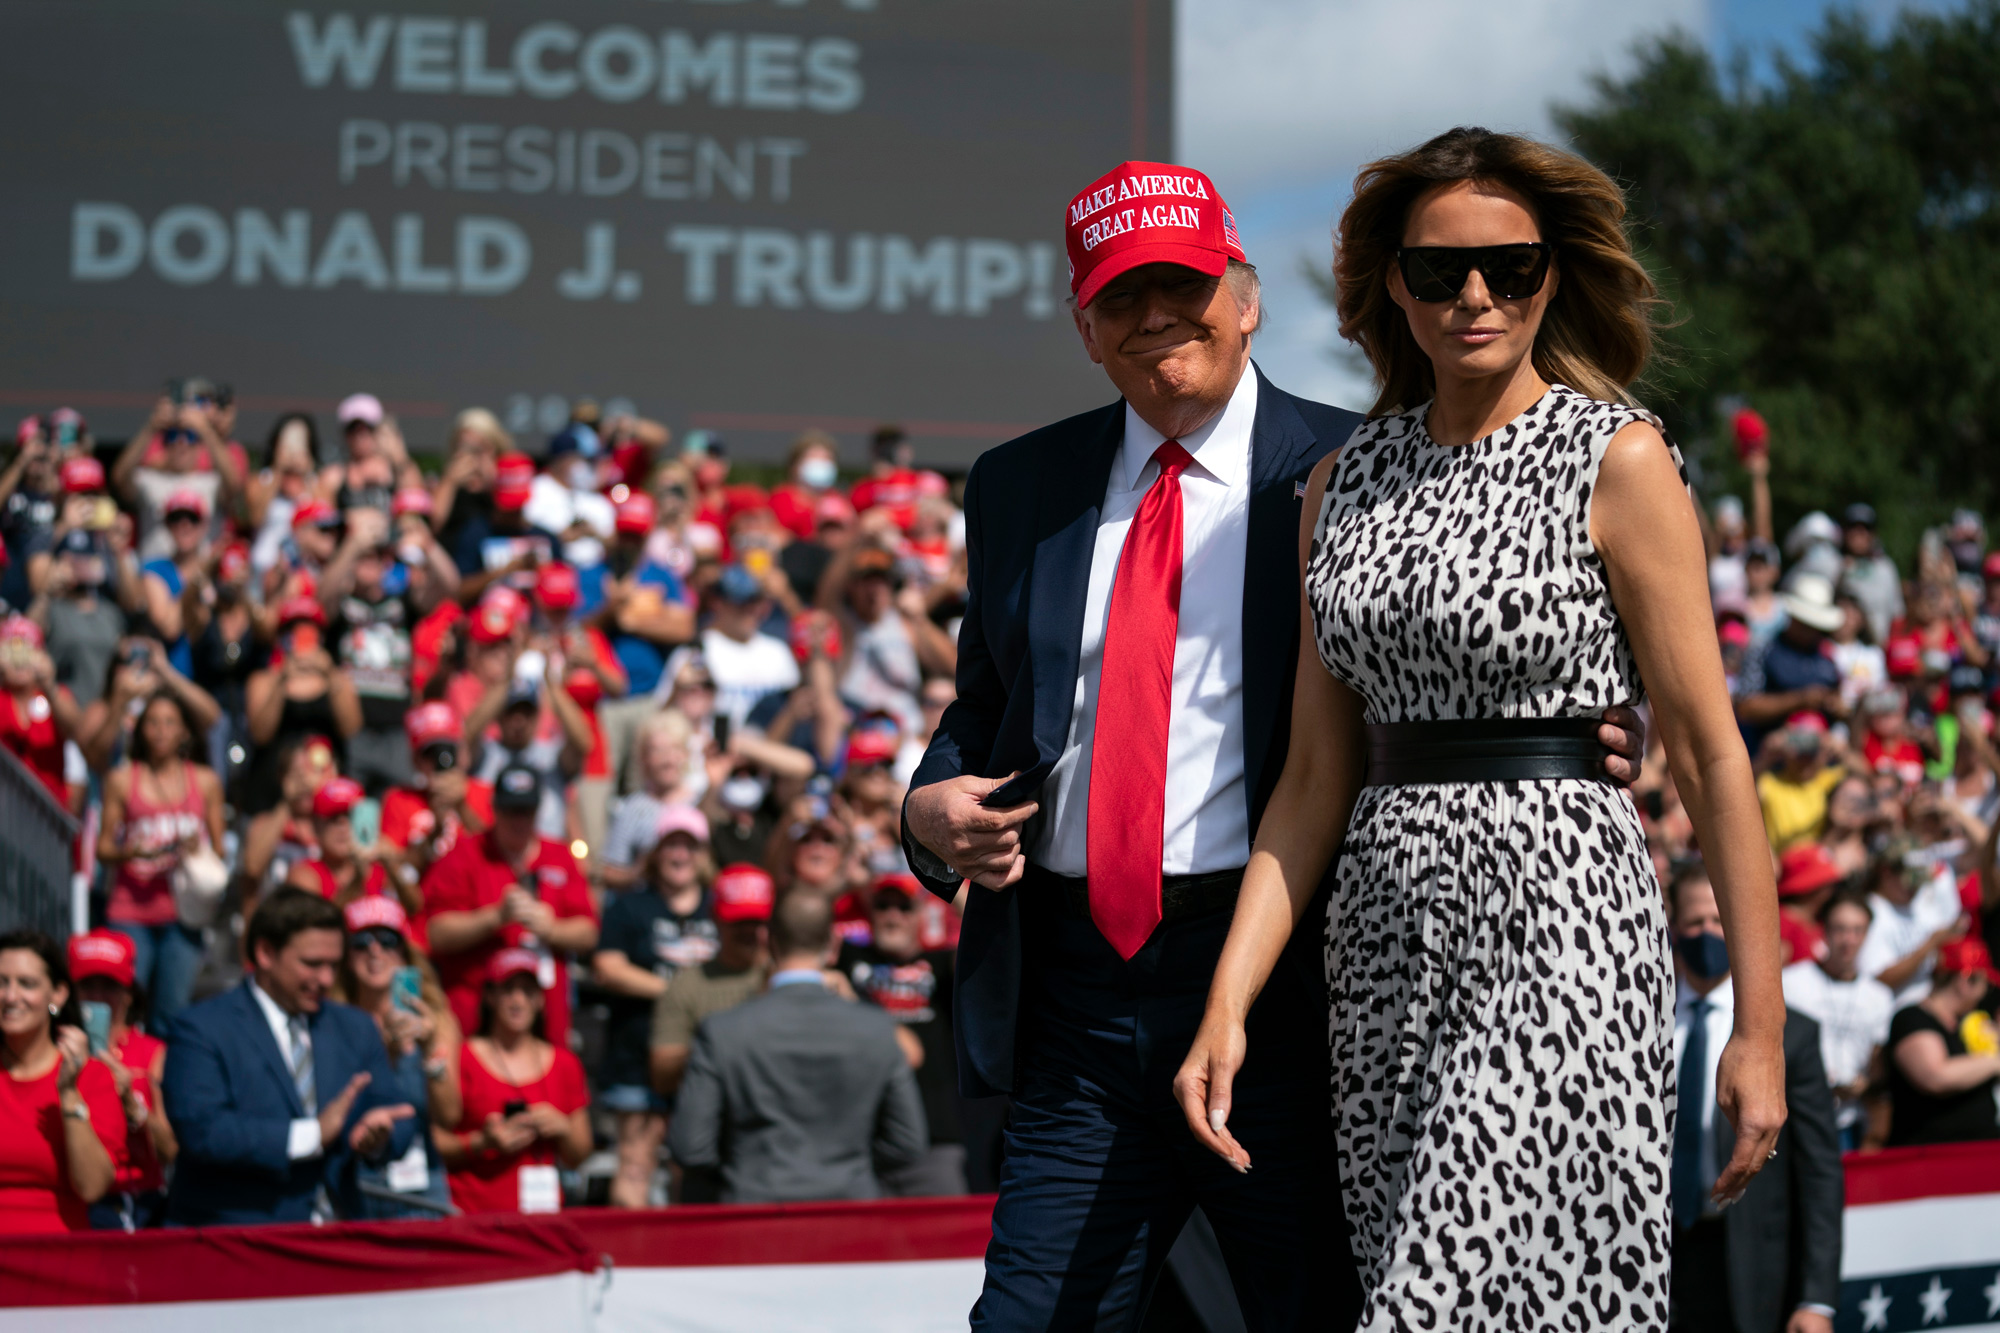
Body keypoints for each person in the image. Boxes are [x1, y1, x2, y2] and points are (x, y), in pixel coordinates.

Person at [902, 153, 1650, 1329]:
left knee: (1321, 1308)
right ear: (1082, 326)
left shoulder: (1361, 471)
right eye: (1118, 296)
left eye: (1183, 286)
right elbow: (983, 709)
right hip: (1073, 998)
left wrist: (1569, 732)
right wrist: (926, 806)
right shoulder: (1015, 484)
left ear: (1246, 300)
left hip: (1289, 986)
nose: (1154, 316)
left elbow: (1477, 645)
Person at [1168, 130, 1787, 1332]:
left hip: (1563, 924)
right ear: (1389, 286)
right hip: (1382, 945)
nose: (1472, 296)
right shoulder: (1338, 483)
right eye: (1438, 270)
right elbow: (1308, 780)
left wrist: (1756, 1027)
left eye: (1508, 267)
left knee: (1429, 1301)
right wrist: (1228, 999)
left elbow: (1712, 755)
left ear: (1550, 274)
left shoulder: (1617, 455)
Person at [160, 889, 416, 1226]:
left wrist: (378, 1137)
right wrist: (311, 1135)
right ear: (266, 952)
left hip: (339, 1243)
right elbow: (204, 1132)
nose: (326, 979)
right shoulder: (201, 1029)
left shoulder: (354, 1027)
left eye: (334, 966)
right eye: (312, 964)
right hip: (239, 1244)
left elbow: (395, 1110)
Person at [1664, 867, 1841, 1333]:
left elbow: (1819, 1170)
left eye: (1719, 921)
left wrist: (1817, 1299)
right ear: (1674, 926)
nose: (1707, 933)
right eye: (1695, 921)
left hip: (1745, 1263)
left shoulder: (1789, 1037)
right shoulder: (1637, 1021)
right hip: (1653, 1257)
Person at [668, 891, 927, 1204]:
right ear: (833, 945)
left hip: (753, 1208)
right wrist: (851, 1167)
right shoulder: (877, 1029)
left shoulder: (723, 1030)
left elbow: (690, 1146)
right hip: (849, 1210)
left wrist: (743, 1167)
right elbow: (908, 1142)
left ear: (768, 941)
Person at [589, 805, 718, 1208]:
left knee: (694, 1168)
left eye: (689, 846)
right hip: (636, 1056)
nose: (679, 855)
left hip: (705, 1059)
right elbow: (608, 968)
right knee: (634, 1162)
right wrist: (680, 994)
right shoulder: (629, 906)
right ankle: (631, 1262)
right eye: (670, 845)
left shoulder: (719, 908)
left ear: (703, 853)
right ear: (654, 852)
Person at [419, 763, 600, 1048]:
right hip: (476, 1024)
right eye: (509, 811)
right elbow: (435, 933)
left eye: (525, 811)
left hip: (544, 1024)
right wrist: (495, 917)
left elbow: (588, 932)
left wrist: (551, 929)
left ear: (538, 811)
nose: (518, 821)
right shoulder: (465, 854)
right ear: (494, 809)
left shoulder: (560, 856)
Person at [96, 689, 228, 1032]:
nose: (160, 731)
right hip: (130, 909)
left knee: (171, 1015)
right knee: (121, 1007)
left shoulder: (205, 781)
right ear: (140, 730)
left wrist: (194, 848)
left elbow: (220, 851)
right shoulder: (123, 779)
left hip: (182, 914)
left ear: (184, 731)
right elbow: (103, 849)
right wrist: (133, 852)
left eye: (170, 722)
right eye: (152, 722)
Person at [836, 875, 965, 1196]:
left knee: (946, 1245)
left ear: (920, 913)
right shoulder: (849, 959)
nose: (892, 915)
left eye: (903, 907)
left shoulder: (940, 965)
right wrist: (845, 880)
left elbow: (986, 928)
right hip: (861, 1146)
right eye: (882, 906)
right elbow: (802, 927)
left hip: (934, 1143)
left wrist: (947, 880)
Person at [334, 896, 461, 1220]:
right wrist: (384, 1053)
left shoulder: (437, 1020)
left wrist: (431, 1049)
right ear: (346, 957)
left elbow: (449, 1115)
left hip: (421, 1180)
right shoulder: (331, 1020)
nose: (375, 951)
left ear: (404, 953)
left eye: (388, 941)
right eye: (361, 942)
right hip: (356, 1177)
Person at [437, 948, 591, 1215]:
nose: (518, 1001)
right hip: (472, 1213)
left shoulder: (565, 1063)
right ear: (490, 996)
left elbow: (580, 1155)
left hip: (541, 1215)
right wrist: (480, 1143)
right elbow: (433, 1140)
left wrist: (562, 1128)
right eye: (508, 990)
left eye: (528, 991)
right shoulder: (461, 1058)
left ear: (541, 1000)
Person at [0, 931, 122, 1234]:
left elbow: (93, 1187)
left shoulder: (93, 1077)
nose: (10, 996)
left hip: (57, 1261)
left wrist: (68, 1093)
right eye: (1, 982)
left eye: (26, 984)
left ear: (58, 994)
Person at [66, 930, 176, 1229]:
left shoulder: (152, 1053)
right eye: (88, 985)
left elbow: (169, 1150)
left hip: (137, 1199)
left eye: (110, 986)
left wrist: (130, 1099)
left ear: (129, 992)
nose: (99, 997)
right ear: (69, 992)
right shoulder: (53, 1050)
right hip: (75, 1194)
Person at [648, 863, 772, 1100]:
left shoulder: (785, 979)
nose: (749, 931)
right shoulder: (686, 985)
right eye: (739, 920)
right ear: (714, 917)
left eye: (757, 921)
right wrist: (718, 1043)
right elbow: (661, 1076)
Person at [1782, 891, 1894, 1151]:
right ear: (1825, 931)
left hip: (1850, 1122)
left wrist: (1864, 1085)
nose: (1849, 939)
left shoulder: (1879, 996)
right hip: (1799, 1116)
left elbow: (1877, 1062)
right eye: (1841, 929)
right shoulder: (1792, 982)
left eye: (1857, 930)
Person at [243, 597, 361, 814]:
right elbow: (260, 733)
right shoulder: (263, 680)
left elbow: (351, 727)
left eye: (309, 630)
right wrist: (282, 679)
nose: (300, 637)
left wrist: (329, 674)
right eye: (292, 630)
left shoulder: (338, 679)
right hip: (274, 791)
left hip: (325, 788)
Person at [1885, 936, 2000, 1146]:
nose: (1985, 993)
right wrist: (1994, 1062)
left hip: (1980, 1151)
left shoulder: (1969, 1025)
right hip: (1932, 1157)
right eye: (1985, 984)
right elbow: (1935, 1076)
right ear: (1967, 981)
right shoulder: (1912, 1018)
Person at [1859, 836, 1968, 1006]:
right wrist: (1930, 944)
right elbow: (1879, 979)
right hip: (1893, 1015)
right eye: (1910, 882)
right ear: (1886, 872)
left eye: (1919, 881)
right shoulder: (1868, 912)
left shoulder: (1918, 904)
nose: (1916, 888)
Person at [701, 564, 800, 729]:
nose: (752, 610)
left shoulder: (778, 651)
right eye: (742, 603)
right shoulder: (698, 650)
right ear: (718, 602)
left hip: (773, 747)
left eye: (756, 601)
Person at [286, 776, 402, 911]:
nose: (343, 825)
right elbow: (318, 924)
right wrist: (357, 880)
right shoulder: (304, 875)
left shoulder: (380, 870)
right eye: (333, 817)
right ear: (315, 825)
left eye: (351, 816)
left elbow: (414, 910)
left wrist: (394, 867)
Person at [1839, 503, 1903, 645]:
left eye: (1866, 528)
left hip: (1880, 652)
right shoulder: (1833, 563)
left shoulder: (1886, 568)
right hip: (1843, 651)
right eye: (1853, 527)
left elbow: (1897, 614)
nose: (1859, 533)